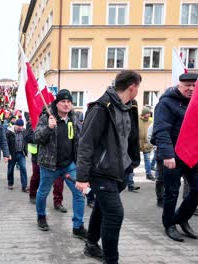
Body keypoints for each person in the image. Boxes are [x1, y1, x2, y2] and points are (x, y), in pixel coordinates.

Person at [76, 70, 141, 264]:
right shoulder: (101, 108)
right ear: (133, 87)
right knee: (114, 213)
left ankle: (91, 243)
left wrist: (131, 163)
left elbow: (130, 137)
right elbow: (86, 144)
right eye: (138, 87)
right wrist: (82, 177)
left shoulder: (131, 106)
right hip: (101, 172)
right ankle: (111, 260)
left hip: (120, 171)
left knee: (102, 208)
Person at [152, 72, 198, 242]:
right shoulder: (166, 103)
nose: (191, 89)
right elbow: (161, 131)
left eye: (194, 85)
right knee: (172, 193)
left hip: (194, 155)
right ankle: (169, 224)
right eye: (187, 86)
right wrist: (168, 155)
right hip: (174, 157)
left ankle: (181, 218)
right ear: (179, 85)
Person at [34, 89, 86, 239]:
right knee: (43, 192)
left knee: (79, 193)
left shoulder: (73, 118)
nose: (66, 104)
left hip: (69, 164)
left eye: (69, 101)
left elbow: (79, 139)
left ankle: (78, 226)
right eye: (63, 101)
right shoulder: (46, 117)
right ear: (56, 103)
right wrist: (49, 128)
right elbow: (36, 138)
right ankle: (41, 216)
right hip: (50, 165)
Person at [26, 117, 66, 213]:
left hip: (55, 157)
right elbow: (28, 137)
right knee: (37, 176)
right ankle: (32, 194)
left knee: (59, 181)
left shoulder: (56, 120)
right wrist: (42, 135)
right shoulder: (32, 121)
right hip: (37, 156)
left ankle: (58, 202)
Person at [6, 119, 30, 192]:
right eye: (19, 126)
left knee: (23, 168)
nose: (20, 127)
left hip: (21, 153)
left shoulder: (24, 131)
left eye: (21, 126)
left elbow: (28, 140)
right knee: (10, 169)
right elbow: (6, 144)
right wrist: (8, 154)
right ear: (15, 125)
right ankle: (10, 183)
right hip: (12, 154)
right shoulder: (9, 132)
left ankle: (24, 186)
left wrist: (25, 151)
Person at [139, 106, 155, 181]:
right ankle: (129, 177)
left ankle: (148, 174)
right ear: (143, 113)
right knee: (133, 160)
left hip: (147, 143)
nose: (149, 115)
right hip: (137, 143)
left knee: (147, 159)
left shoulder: (151, 121)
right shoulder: (137, 120)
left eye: (149, 113)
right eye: (147, 113)